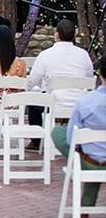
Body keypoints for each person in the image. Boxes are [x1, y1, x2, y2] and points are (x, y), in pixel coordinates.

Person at [51, 52, 105, 213]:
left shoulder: (86, 101)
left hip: (89, 161)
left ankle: (85, 208)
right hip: (94, 157)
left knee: (58, 132)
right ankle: (85, 207)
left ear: (101, 74)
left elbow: (70, 138)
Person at [25, 19, 93, 147]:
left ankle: (37, 142)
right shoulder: (84, 55)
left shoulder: (45, 55)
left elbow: (32, 82)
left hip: (53, 103)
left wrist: (42, 87)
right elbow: (89, 79)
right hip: (79, 102)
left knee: (33, 101)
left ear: (56, 35)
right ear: (74, 36)